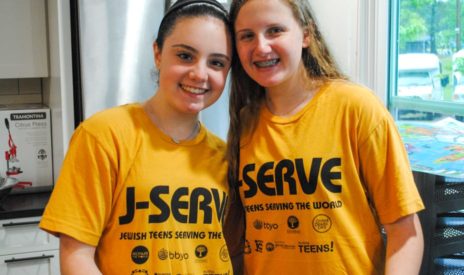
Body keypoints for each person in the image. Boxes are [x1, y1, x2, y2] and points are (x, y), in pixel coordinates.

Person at [224, 0, 425, 274]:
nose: (261, 47)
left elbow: (405, 232)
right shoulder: (244, 122)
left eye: (275, 30)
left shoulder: (357, 107)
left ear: (306, 34)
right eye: (247, 36)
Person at [39, 1, 234, 274]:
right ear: (158, 52)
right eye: (185, 56)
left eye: (216, 63)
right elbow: (76, 256)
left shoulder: (225, 155)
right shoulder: (103, 135)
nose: (200, 74)